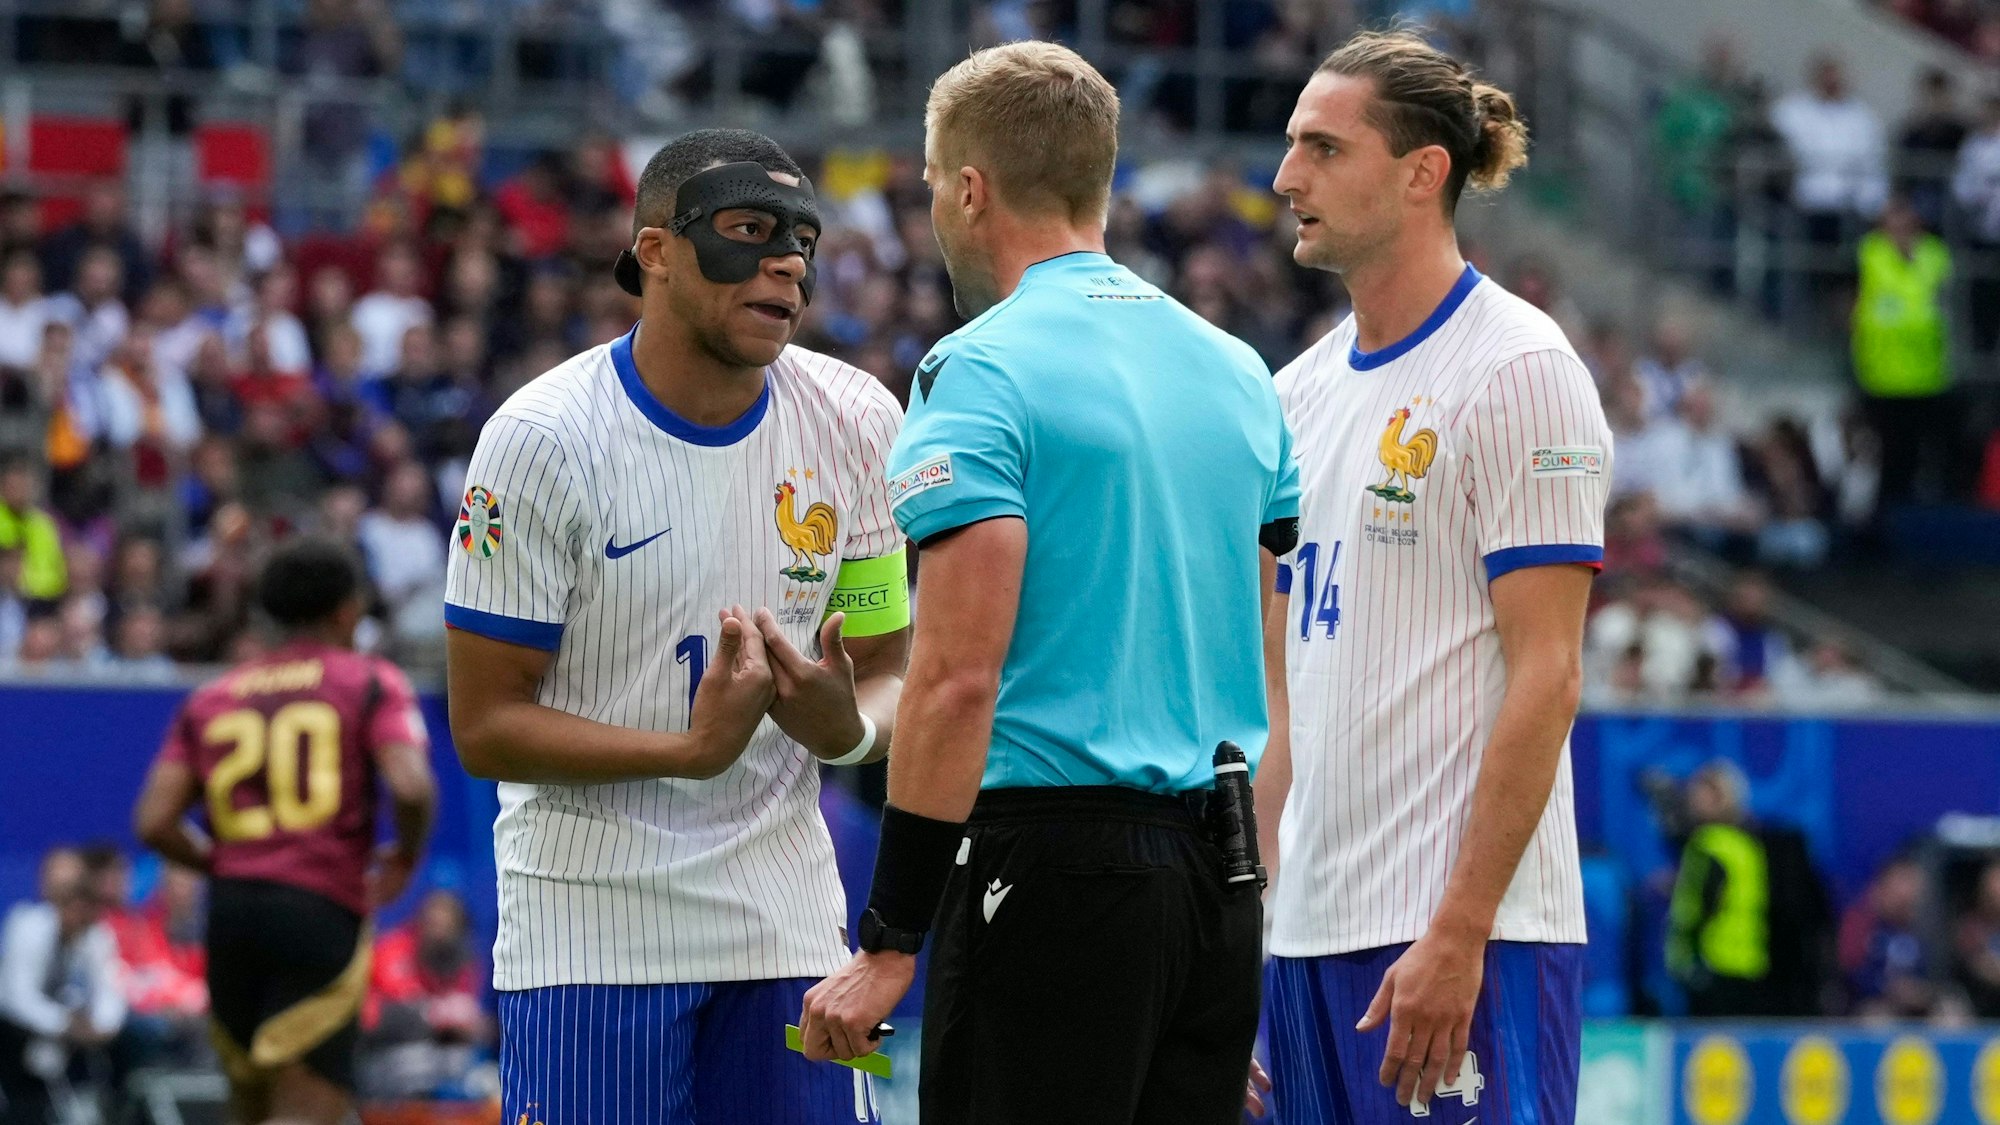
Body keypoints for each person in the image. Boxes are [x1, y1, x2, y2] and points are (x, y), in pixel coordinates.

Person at [799, 42, 1299, 1125]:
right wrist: (1224, 933)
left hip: (1056, 869)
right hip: (1218, 883)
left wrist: (890, 938)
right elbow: (1270, 670)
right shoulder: (1240, 372)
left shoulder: (979, 367)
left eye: (934, 182)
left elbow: (955, 678)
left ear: (970, 189)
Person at [444, 127, 909, 1125]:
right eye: (748, 230)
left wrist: (850, 730)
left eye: (801, 240)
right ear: (654, 250)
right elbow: (484, 727)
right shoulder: (539, 440)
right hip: (587, 935)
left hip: (788, 932)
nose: (786, 262)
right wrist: (689, 751)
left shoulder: (860, 420)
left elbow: (888, 669)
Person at [1258, 30, 1610, 1122]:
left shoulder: (1520, 369)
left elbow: (1548, 675)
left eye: (1323, 148)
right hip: (1306, 942)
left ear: (1423, 173)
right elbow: (1277, 699)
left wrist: (1459, 929)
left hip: (1464, 939)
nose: (1286, 177)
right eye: (1291, 145)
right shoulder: (1291, 396)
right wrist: (1250, 942)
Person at [131, 538, 438, 1125]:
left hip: (230, 916)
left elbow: (154, 821)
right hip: (319, 907)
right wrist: (404, 857)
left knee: (252, 1107)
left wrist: (224, 863)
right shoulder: (369, 681)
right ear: (348, 611)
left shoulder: (213, 696)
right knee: (307, 1110)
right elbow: (411, 787)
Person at [0, 850, 124, 1125]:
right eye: (75, 907)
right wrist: (64, 1024)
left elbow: (111, 992)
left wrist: (101, 1026)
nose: (81, 916)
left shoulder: (97, 936)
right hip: (16, 1032)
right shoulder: (27, 925)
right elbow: (17, 998)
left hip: (71, 1035)